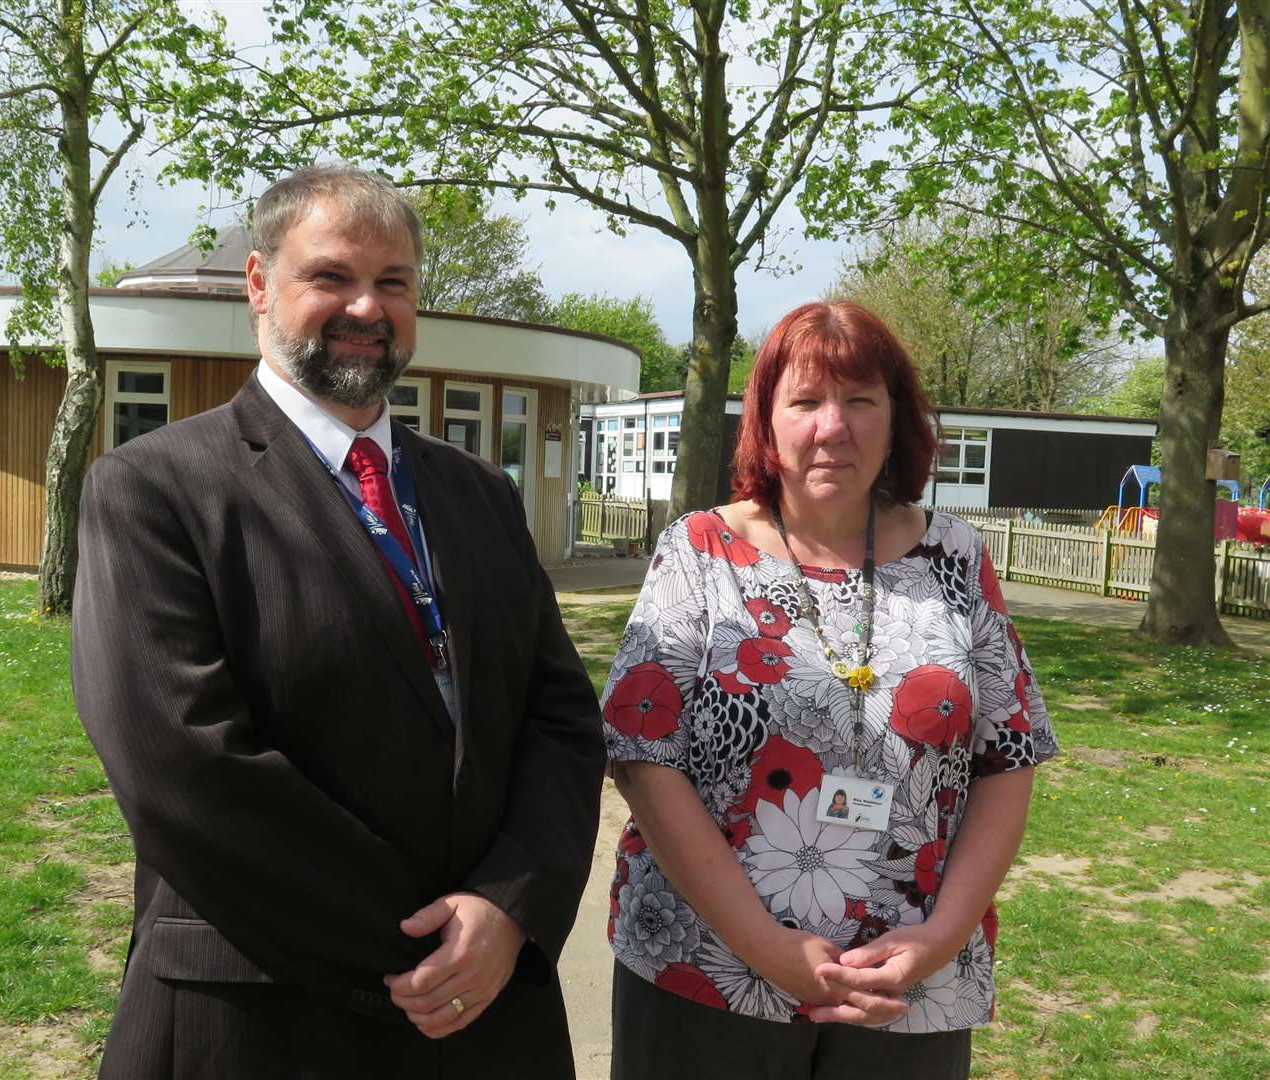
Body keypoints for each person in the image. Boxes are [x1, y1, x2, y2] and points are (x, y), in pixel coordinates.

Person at [72, 164, 605, 1079]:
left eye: (393, 283)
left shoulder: (480, 494)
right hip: (266, 1014)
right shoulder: (153, 489)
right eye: (331, 277)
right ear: (258, 284)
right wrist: (421, 942)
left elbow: (559, 721)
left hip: (485, 1016)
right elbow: (184, 765)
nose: (367, 305)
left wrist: (507, 909)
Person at [601, 300, 1057, 1079]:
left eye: (859, 400)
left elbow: (1008, 757)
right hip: (705, 971)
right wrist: (766, 949)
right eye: (805, 401)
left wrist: (937, 941)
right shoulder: (699, 551)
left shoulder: (957, 555)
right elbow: (645, 759)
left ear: (896, 417)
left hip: (907, 987)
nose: (832, 426)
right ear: (766, 421)